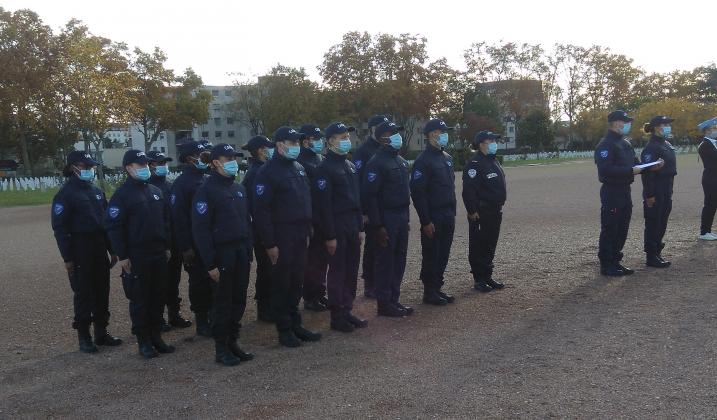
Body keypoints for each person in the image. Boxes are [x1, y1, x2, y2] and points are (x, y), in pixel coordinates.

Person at [253, 126, 322, 348]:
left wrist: (309, 228)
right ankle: (284, 329)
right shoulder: (267, 172)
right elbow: (261, 211)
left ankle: (296, 324)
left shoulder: (298, 167)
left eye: (297, 143)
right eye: (292, 143)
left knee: (296, 281)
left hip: (300, 234)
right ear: (280, 145)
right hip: (281, 235)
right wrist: (270, 243)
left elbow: (306, 200)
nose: (296, 146)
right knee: (282, 283)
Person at [51, 151, 122, 353]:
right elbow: (60, 229)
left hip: (99, 245)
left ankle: (101, 332)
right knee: (84, 293)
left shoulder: (96, 191)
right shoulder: (65, 195)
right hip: (80, 246)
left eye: (91, 166)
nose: (90, 170)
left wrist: (112, 248)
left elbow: (106, 221)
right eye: (86, 166)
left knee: (102, 289)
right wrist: (68, 258)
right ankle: (84, 336)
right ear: (74, 167)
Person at [106, 150, 174, 359]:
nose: (145, 168)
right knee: (140, 299)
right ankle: (143, 341)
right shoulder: (121, 196)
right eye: (140, 165)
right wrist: (123, 255)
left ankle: (156, 337)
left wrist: (167, 245)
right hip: (137, 255)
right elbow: (115, 227)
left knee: (158, 295)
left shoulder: (155, 190)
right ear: (128, 168)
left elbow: (165, 221)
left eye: (146, 164)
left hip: (158, 252)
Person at [192, 144, 254, 366]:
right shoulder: (206, 190)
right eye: (228, 158)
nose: (233, 162)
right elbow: (201, 230)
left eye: (234, 158)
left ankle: (233, 342)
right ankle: (221, 348)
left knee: (238, 300)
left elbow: (246, 222)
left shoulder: (238, 188)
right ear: (216, 162)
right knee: (222, 302)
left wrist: (249, 250)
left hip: (240, 252)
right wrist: (210, 263)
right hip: (222, 254)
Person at [314, 122, 368, 332]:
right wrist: (330, 235)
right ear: (330, 141)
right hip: (336, 225)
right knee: (337, 271)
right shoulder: (324, 169)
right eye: (341, 137)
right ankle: (337, 316)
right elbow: (323, 206)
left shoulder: (349, 165)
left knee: (351, 270)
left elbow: (356, 199)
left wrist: (359, 227)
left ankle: (347, 309)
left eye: (347, 136)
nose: (346, 140)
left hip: (351, 226)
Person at [594, 110, 654, 276]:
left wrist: (650, 166)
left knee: (622, 227)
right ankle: (606, 264)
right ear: (615, 123)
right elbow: (605, 169)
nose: (628, 124)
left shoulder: (625, 144)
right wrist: (631, 170)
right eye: (625, 121)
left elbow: (636, 164)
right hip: (611, 191)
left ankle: (616, 259)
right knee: (610, 227)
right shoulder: (605, 144)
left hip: (624, 191)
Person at [364, 121, 414, 317]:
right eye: (391, 133)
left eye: (397, 133)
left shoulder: (400, 161)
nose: (396, 136)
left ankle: (394, 299)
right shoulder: (375, 163)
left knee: (399, 261)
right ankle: (384, 303)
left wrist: (407, 219)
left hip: (401, 216)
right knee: (386, 262)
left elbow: (405, 194)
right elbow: (371, 196)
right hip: (387, 218)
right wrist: (378, 226)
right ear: (382, 138)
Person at [410, 119, 457, 305]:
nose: (444, 134)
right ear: (430, 135)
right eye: (440, 131)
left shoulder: (447, 157)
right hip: (433, 216)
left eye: (445, 131)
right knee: (432, 254)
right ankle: (429, 291)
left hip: (447, 213)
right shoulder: (423, 161)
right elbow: (418, 193)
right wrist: (425, 220)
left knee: (443, 253)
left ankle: (437, 287)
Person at [170, 140, 213, 336]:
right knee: (199, 282)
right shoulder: (182, 184)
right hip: (195, 243)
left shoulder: (209, 177)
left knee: (215, 280)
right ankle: (202, 319)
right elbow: (178, 218)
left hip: (213, 239)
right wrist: (186, 247)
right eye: (202, 153)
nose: (207, 156)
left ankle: (214, 315)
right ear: (190, 158)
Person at [147, 151, 192, 331]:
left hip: (174, 240)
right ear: (150, 165)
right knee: (158, 283)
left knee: (173, 280)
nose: (163, 166)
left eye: (165, 162)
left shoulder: (171, 185)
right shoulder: (148, 187)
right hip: (157, 243)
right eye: (159, 163)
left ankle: (174, 314)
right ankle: (158, 319)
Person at [462, 131, 507, 292]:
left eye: (495, 140)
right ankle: (479, 279)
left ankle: (487, 275)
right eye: (491, 141)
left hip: (495, 210)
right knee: (478, 245)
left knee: (490, 244)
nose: (495, 143)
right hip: (481, 211)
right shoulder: (475, 163)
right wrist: (472, 210)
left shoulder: (492, 160)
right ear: (481, 144)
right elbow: (468, 190)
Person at [354, 114, 391, 298]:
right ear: (372, 130)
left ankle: (383, 280)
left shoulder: (389, 148)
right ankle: (370, 283)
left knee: (385, 245)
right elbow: (360, 183)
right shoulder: (364, 151)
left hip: (387, 207)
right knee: (372, 246)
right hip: (372, 207)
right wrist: (364, 211)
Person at [241, 136, 276, 322]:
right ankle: (265, 307)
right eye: (268, 148)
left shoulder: (261, 170)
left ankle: (269, 305)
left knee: (270, 268)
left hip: (265, 227)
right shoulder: (256, 173)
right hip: (262, 229)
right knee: (267, 269)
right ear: (261, 150)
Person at [298, 124, 328, 312]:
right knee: (312, 261)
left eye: (319, 138)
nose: (319, 141)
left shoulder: (320, 159)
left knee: (322, 259)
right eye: (315, 138)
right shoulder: (301, 162)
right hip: (313, 217)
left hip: (324, 216)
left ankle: (319, 293)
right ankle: (310, 296)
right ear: (305, 140)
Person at [641, 116, 677, 268]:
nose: (668, 127)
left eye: (669, 124)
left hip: (667, 187)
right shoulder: (651, 148)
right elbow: (647, 173)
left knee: (662, 221)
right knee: (654, 222)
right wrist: (649, 195)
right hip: (656, 188)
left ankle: (657, 251)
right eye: (665, 124)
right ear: (656, 127)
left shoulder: (666, 144)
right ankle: (651, 255)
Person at [697, 117, 717, 240]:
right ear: (707, 131)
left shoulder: (713, 143)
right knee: (710, 205)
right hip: (712, 179)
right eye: (714, 128)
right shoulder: (705, 145)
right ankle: (704, 232)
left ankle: (707, 230)